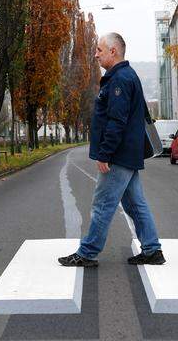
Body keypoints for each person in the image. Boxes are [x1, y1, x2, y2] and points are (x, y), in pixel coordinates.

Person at [58, 33, 165, 267]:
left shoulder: (119, 80)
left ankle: (87, 252)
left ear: (113, 51)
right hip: (127, 153)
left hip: (119, 155)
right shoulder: (124, 76)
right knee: (135, 203)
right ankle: (152, 249)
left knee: (103, 203)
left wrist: (105, 153)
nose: (95, 54)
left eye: (99, 50)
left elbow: (117, 121)